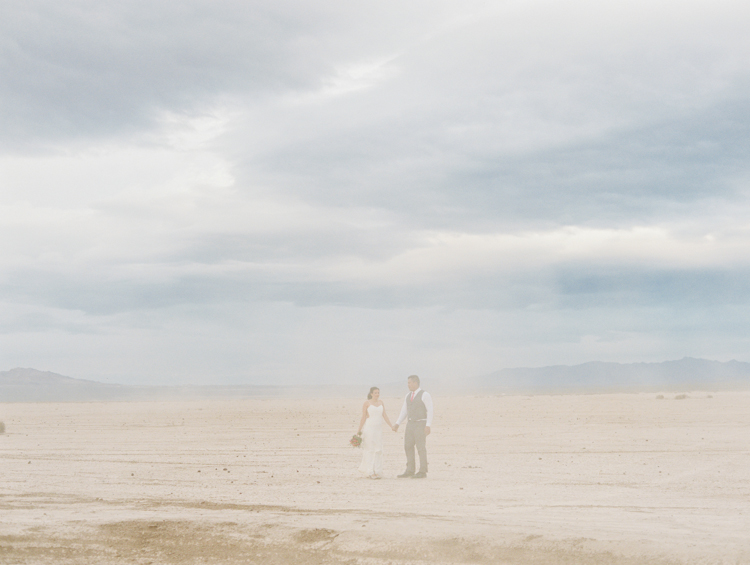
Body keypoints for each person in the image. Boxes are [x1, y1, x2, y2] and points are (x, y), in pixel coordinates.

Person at [393, 375, 433, 478]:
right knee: (408, 446)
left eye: (409, 383)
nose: (408, 385)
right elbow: (404, 411)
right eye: (408, 383)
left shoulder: (425, 394)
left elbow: (430, 410)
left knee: (420, 447)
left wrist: (428, 425)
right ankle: (410, 470)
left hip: (420, 424)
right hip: (410, 424)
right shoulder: (408, 396)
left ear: (415, 383)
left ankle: (422, 471)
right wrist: (398, 423)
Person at [357, 386, 394, 479]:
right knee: (370, 450)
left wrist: (391, 426)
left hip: (378, 429)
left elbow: (384, 415)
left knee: (379, 449)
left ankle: (377, 471)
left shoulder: (381, 402)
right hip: (369, 429)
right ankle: (369, 471)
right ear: (371, 394)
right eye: (375, 393)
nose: (377, 394)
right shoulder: (367, 403)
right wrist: (359, 430)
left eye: (378, 392)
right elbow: (363, 417)